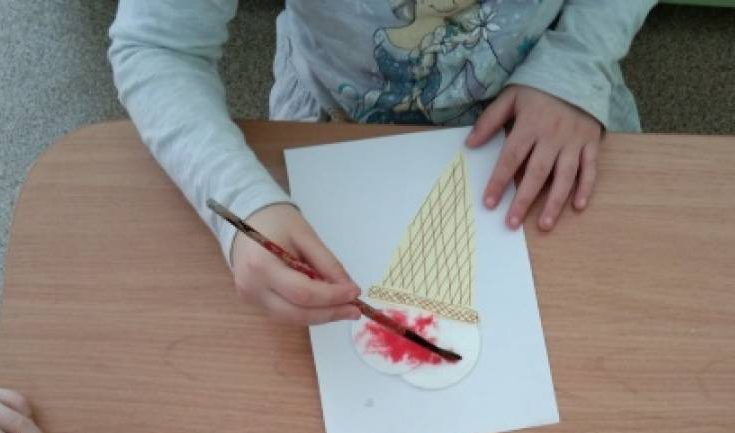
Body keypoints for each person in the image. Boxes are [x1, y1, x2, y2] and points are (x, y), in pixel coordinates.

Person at [109, 0, 655, 325]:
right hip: (330, 124)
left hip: (557, 111)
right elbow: (157, 47)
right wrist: (241, 202)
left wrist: (576, 61)